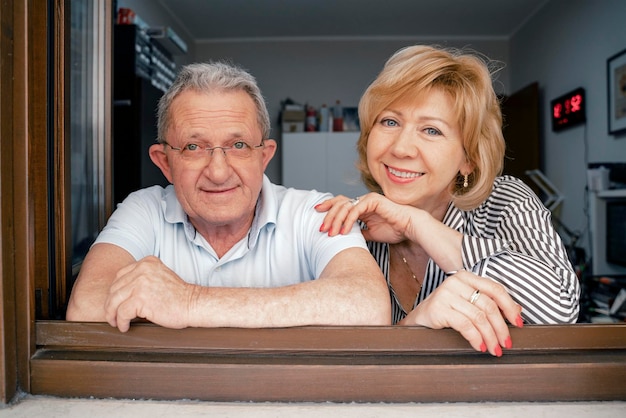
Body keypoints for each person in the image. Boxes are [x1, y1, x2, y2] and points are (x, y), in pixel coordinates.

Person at [66, 61, 391, 331]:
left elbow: (368, 304)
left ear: (264, 156)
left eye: (238, 146)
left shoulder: (315, 211)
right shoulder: (143, 211)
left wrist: (188, 302)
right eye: (193, 147)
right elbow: (87, 306)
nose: (218, 172)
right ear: (165, 162)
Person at [316, 45, 580, 357]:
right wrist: (413, 328)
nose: (401, 148)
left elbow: (561, 311)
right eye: (389, 122)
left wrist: (419, 225)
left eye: (431, 130)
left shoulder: (506, 201)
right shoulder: (351, 223)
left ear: (468, 159)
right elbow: (332, 356)